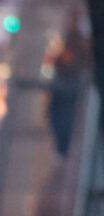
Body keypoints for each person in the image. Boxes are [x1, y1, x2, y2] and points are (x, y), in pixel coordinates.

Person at [47, 9, 92, 158]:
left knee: (64, 119)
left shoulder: (77, 41)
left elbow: (75, 63)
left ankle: (63, 151)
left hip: (69, 85)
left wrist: (63, 60)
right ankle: (62, 150)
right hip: (63, 84)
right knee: (59, 117)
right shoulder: (67, 39)